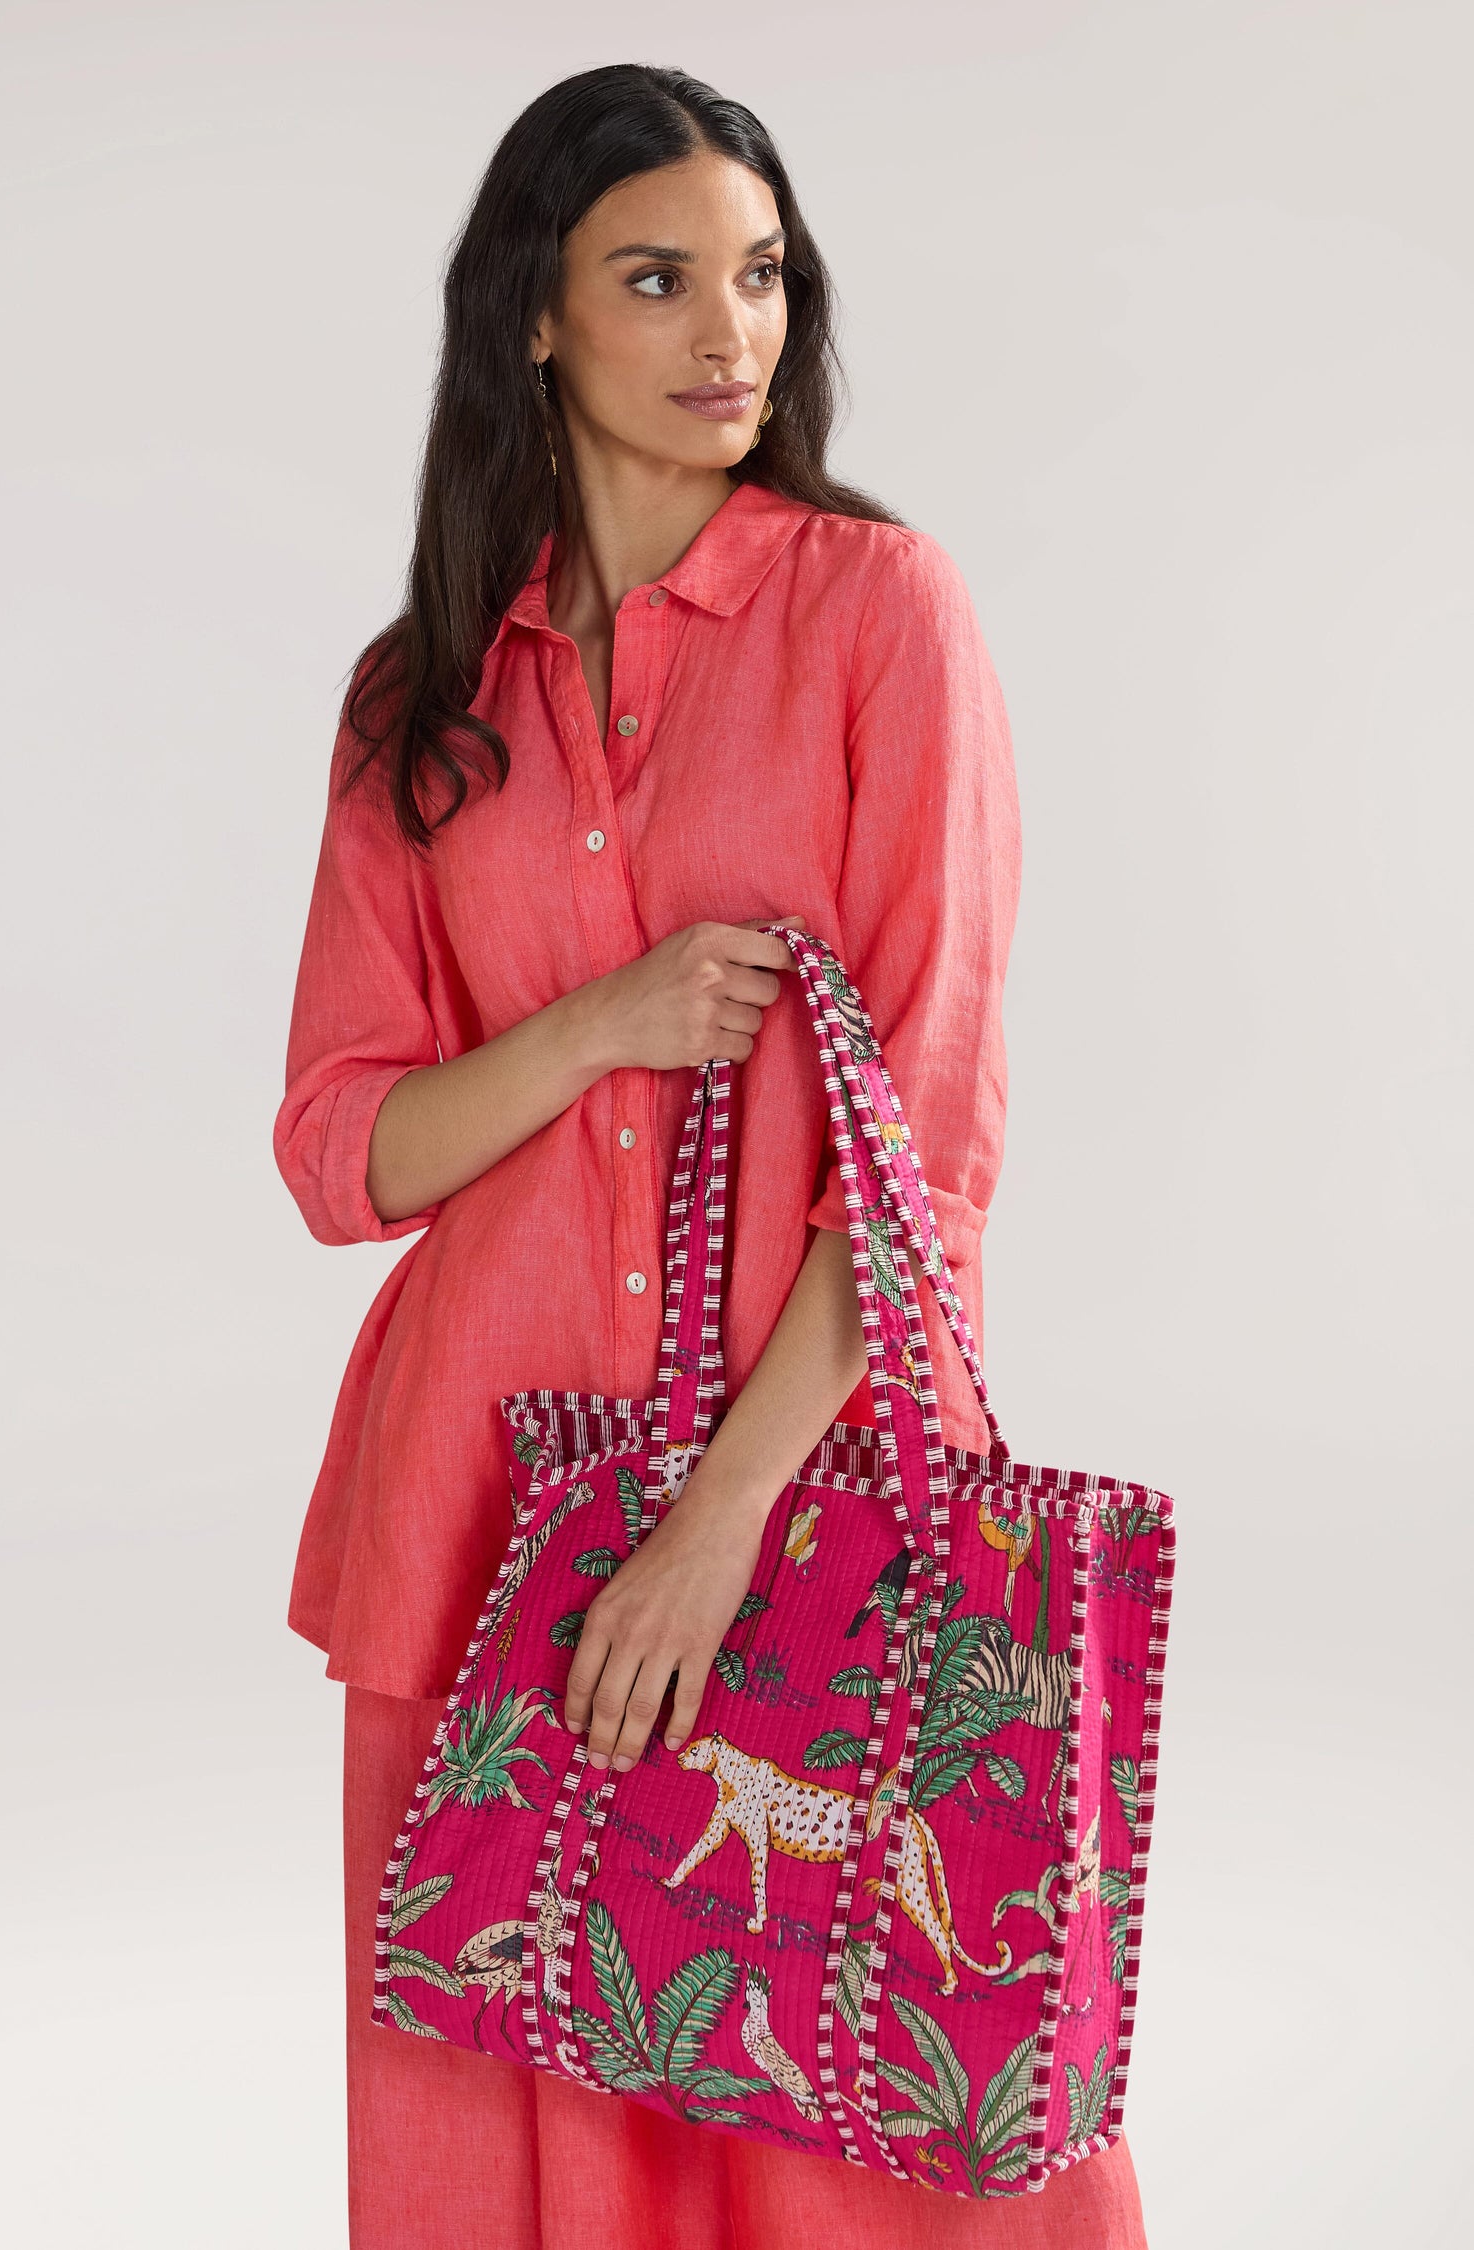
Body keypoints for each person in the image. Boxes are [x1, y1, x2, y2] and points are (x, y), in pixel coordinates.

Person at [274, 60, 1149, 2250]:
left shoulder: (879, 614)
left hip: (819, 1487)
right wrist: (598, 1024)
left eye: (759, 277)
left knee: (881, 2100)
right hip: (473, 1500)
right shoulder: (420, 700)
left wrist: (719, 1522)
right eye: (655, 279)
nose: (726, 333)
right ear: (536, 320)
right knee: (500, 2116)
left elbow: (927, 1139)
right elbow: (338, 1147)